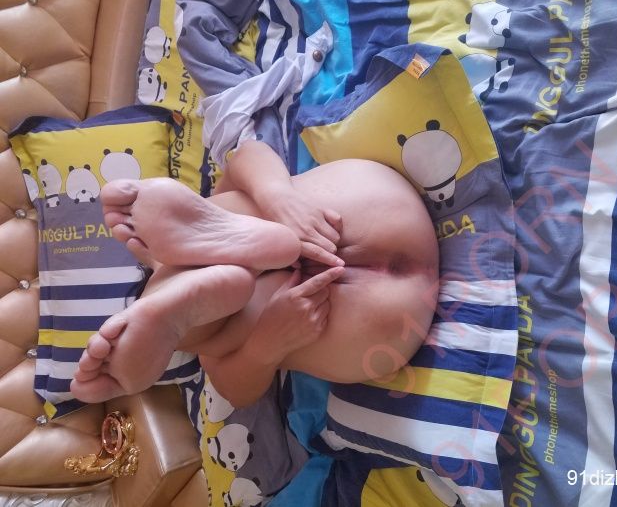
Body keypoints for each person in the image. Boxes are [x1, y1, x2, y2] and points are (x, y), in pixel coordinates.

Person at [70, 141, 439, 406]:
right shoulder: (214, 344)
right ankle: (182, 299)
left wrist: (279, 200)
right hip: (383, 201)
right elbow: (247, 152)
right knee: (216, 328)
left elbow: (247, 153)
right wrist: (269, 343)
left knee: (216, 333)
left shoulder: (214, 346)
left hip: (364, 292)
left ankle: (208, 271)